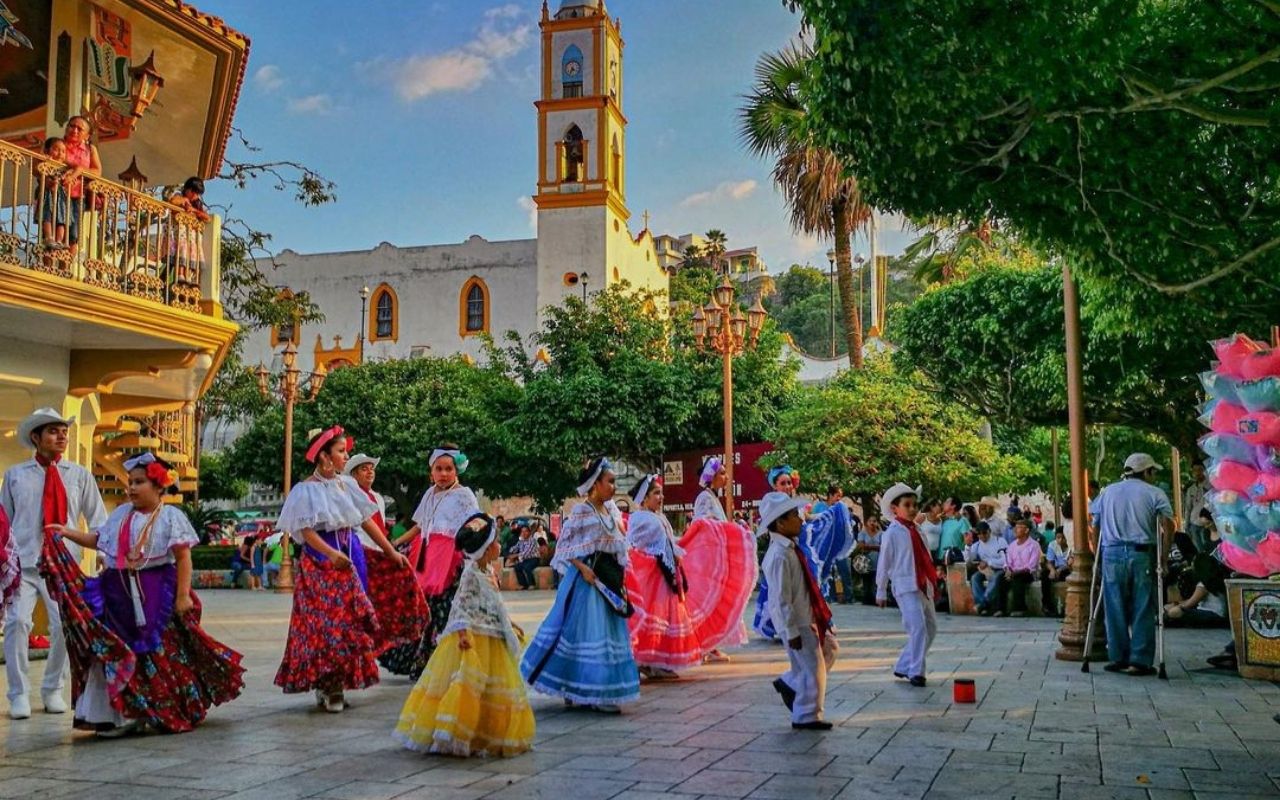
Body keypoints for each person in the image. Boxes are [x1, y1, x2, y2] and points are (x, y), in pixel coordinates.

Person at [44, 453, 245, 736]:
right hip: (116, 593)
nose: (132, 488)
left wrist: (183, 595)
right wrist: (67, 532)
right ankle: (118, 716)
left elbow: (183, 557)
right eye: (131, 482)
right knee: (114, 648)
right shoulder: (120, 516)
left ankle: (154, 708)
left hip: (156, 592)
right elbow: (98, 540)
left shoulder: (171, 517)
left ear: (159, 487)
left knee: (157, 651)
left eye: (139, 482)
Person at [273, 426, 410, 712]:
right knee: (325, 626)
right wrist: (331, 553)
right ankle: (327, 684)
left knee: (349, 625)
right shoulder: (305, 490)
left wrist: (390, 551)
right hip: (320, 564)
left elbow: (367, 521)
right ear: (324, 455)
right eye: (340, 451)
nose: (344, 456)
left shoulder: (347, 486)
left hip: (350, 559)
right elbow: (305, 531)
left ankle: (337, 682)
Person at [395, 513, 535, 757]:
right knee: (466, 684)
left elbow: (493, 604)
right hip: (472, 636)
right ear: (485, 549)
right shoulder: (471, 573)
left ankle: (483, 731)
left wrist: (509, 623)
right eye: (494, 543)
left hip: (491, 634)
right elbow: (460, 604)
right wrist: (461, 632)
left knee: (489, 686)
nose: (499, 546)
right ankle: (458, 732)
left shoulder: (488, 571)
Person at [2, 407, 108, 720]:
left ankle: (52, 688)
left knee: (64, 627)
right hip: (24, 563)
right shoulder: (16, 476)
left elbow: (98, 517)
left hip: (64, 564)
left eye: (64, 431)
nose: (61, 436)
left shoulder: (78, 475)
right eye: (53, 431)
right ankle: (18, 693)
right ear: (36, 438)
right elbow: (2, 521)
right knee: (17, 623)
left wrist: (103, 552)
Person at [520, 458, 640, 714]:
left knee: (604, 633)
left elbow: (619, 544)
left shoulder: (611, 511)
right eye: (609, 481)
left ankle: (594, 690)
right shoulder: (582, 511)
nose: (613, 486)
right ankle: (585, 690)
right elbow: (564, 546)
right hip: (586, 581)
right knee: (584, 632)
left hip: (608, 579)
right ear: (594, 484)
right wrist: (583, 568)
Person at [384, 445, 480, 678]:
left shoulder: (464, 494)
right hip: (425, 554)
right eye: (439, 469)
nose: (444, 473)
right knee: (422, 607)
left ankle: (449, 660)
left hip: (450, 556)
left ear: (457, 471)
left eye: (449, 469)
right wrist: (395, 544)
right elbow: (420, 526)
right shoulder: (429, 494)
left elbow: (476, 522)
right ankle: (422, 661)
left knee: (444, 608)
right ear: (431, 472)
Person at [1094, 453, 1175, 677]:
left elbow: (1096, 526)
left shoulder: (1107, 491)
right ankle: (1139, 660)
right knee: (1143, 606)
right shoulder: (1154, 493)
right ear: (1146, 472)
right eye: (1153, 471)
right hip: (1141, 554)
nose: (1154, 476)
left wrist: (1097, 556)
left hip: (1111, 553)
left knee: (1114, 606)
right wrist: (1164, 557)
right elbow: (1169, 525)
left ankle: (1118, 656)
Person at [759, 491, 835, 731]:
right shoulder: (780, 555)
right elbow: (781, 598)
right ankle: (806, 714)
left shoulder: (790, 549)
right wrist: (790, 629)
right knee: (813, 668)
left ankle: (791, 683)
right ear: (780, 523)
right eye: (794, 515)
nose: (801, 520)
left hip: (805, 615)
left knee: (827, 651)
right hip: (797, 621)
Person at [344, 452, 429, 658]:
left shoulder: (378, 498)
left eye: (371, 468)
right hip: (362, 549)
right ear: (354, 475)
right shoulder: (348, 494)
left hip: (380, 549)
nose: (369, 472)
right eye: (364, 469)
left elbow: (378, 526)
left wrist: (389, 547)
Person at [624, 474, 699, 679]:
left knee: (664, 616)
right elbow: (636, 546)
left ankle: (657, 660)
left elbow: (669, 542)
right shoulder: (640, 518)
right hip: (651, 576)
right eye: (656, 493)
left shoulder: (658, 517)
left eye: (661, 493)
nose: (661, 496)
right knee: (652, 616)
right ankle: (645, 660)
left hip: (662, 575)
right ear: (644, 498)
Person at [876, 483, 937, 687]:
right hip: (905, 584)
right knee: (918, 627)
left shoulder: (917, 530)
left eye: (914, 505)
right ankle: (917, 671)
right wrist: (881, 589)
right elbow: (884, 562)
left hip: (922, 584)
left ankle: (904, 665)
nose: (912, 509)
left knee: (931, 627)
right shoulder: (892, 533)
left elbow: (925, 554)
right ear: (895, 508)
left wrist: (932, 576)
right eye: (907, 505)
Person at [60, 116, 102, 257]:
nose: (75, 130)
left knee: (73, 234)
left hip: (78, 194)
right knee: (55, 230)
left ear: (87, 135)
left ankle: (65, 267)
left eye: (80, 128)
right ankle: (49, 265)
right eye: (72, 126)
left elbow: (97, 172)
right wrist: (74, 166)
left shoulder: (90, 149)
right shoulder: (58, 144)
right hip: (58, 192)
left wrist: (80, 170)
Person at [1163, 554, 1229, 629]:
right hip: (1218, 615)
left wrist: (1175, 605)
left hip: (1211, 614)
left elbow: (1189, 603)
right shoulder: (1215, 581)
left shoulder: (1203, 585)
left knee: (1175, 611)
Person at [1002, 519, 1042, 617]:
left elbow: (1031, 566)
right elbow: (1008, 562)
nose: (1015, 530)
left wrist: (1014, 573)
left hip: (1028, 573)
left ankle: (1020, 608)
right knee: (1000, 579)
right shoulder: (1012, 545)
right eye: (1015, 527)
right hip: (1013, 572)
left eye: (1019, 527)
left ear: (1027, 530)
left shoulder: (1034, 545)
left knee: (1018, 579)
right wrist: (1008, 570)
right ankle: (1000, 608)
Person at [965, 523, 1007, 616]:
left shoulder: (1000, 541)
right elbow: (969, 559)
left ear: (989, 532)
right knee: (975, 578)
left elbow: (1005, 560)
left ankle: (983, 603)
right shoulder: (977, 545)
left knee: (995, 577)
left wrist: (989, 562)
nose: (982, 535)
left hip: (1000, 569)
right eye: (979, 534)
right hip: (985, 571)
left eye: (984, 533)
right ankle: (983, 605)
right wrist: (968, 546)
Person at [38, 137, 71, 250]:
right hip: (47, 194)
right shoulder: (46, 163)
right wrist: (44, 158)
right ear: (48, 151)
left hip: (61, 196)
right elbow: (40, 173)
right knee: (47, 216)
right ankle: (48, 237)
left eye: (63, 151)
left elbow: (69, 177)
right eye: (56, 149)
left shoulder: (65, 168)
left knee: (62, 218)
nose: (60, 153)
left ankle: (59, 240)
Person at [1043, 527, 1072, 616]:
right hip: (1056, 568)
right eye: (1058, 537)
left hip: (1067, 569)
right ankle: (1046, 605)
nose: (1060, 540)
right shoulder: (1053, 545)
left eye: (1063, 538)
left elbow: (1071, 563)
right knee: (1044, 575)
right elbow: (1049, 562)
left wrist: (1060, 569)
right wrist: (1052, 570)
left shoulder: (1071, 545)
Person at [854, 516, 883, 605]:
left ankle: (875, 599)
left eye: (874, 521)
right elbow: (861, 546)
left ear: (877, 523)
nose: (872, 523)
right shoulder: (862, 533)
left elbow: (884, 547)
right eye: (870, 521)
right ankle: (866, 599)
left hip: (878, 561)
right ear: (867, 523)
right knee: (866, 581)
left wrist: (868, 546)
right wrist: (876, 547)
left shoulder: (882, 534)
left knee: (875, 581)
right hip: (865, 562)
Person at [1184, 462, 1212, 553]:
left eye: (1200, 469)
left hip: (1207, 525)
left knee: (1209, 550)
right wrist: (1186, 526)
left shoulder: (1211, 486)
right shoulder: (1190, 489)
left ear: (1205, 471)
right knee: (1199, 552)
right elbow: (1188, 508)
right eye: (1195, 470)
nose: (1197, 473)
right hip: (1194, 524)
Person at [938, 496, 969, 562]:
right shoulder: (943, 520)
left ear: (953, 506)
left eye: (947, 502)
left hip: (954, 560)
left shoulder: (962, 520)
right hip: (940, 558)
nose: (944, 503)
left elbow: (967, 541)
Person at [509, 525, 541, 590]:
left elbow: (527, 553)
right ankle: (523, 585)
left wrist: (516, 555)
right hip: (525, 560)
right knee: (517, 567)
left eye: (525, 531)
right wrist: (511, 551)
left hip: (534, 559)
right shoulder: (521, 541)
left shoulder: (532, 541)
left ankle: (532, 584)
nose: (524, 533)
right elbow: (514, 548)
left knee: (527, 567)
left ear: (529, 532)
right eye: (522, 532)